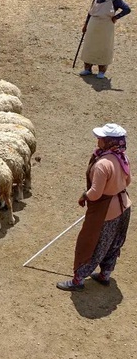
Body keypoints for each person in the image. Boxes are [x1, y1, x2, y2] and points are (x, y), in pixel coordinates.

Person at [57, 124, 131, 291]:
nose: (98, 140)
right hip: (124, 206)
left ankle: (78, 280)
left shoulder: (103, 164)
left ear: (109, 141)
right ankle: (105, 274)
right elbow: (128, 181)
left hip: (106, 212)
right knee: (113, 243)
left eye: (101, 138)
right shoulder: (122, 158)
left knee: (91, 244)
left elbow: (96, 193)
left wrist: (85, 195)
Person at [79, 0, 131, 79]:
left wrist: (116, 17)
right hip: (93, 24)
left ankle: (102, 70)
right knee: (90, 46)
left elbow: (127, 9)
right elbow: (90, 11)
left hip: (106, 26)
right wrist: (86, 24)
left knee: (103, 47)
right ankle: (87, 69)